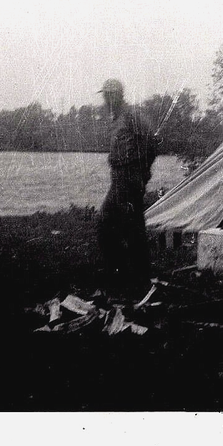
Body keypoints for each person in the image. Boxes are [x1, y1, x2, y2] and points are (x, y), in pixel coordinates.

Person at [97, 78, 159, 291]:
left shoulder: (132, 115)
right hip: (119, 176)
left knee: (110, 223)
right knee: (127, 226)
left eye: (108, 94)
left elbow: (152, 142)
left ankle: (131, 279)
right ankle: (129, 277)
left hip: (128, 177)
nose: (105, 99)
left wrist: (143, 173)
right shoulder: (117, 117)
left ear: (117, 95)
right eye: (104, 94)